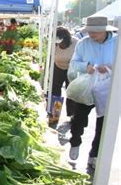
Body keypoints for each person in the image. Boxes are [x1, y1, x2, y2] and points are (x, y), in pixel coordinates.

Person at [68, 16, 118, 168]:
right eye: (89, 32)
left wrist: (109, 68)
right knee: (78, 119)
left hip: (107, 88)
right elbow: (74, 63)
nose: (91, 35)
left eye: (95, 32)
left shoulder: (117, 42)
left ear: (104, 31)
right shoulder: (83, 43)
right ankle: (75, 142)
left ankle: (94, 155)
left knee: (102, 124)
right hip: (87, 87)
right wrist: (86, 66)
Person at [50, 27, 78, 122]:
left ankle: (72, 114)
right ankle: (55, 112)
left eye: (61, 42)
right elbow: (50, 57)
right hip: (58, 66)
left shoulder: (75, 43)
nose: (59, 44)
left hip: (72, 69)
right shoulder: (54, 44)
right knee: (55, 89)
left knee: (71, 91)